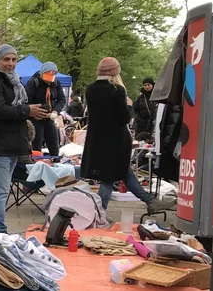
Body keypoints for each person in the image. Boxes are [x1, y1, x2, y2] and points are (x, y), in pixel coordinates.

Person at [81, 58, 173, 214]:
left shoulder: (90, 90)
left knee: (124, 172)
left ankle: (150, 202)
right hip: (116, 141)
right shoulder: (117, 90)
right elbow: (123, 118)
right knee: (109, 177)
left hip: (97, 139)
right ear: (115, 72)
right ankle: (99, 213)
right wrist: (129, 105)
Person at [0, 44, 51, 233]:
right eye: (6, 59)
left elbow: (15, 111)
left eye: (13, 59)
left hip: (11, 144)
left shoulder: (14, 82)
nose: (10, 63)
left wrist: (34, 112)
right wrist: (27, 110)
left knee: (1, 191)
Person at [24, 62, 65, 156]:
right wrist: (34, 111)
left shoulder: (56, 82)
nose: (49, 81)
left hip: (49, 118)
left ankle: (55, 162)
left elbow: (62, 99)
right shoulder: (33, 83)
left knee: (54, 145)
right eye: (47, 79)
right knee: (36, 146)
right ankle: (36, 164)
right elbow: (26, 101)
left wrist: (56, 111)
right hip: (36, 119)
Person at [132, 77, 155, 141]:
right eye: (145, 85)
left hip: (154, 124)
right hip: (142, 125)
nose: (147, 87)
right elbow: (135, 110)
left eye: (148, 85)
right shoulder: (140, 98)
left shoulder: (157, 96)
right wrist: (139, 119)